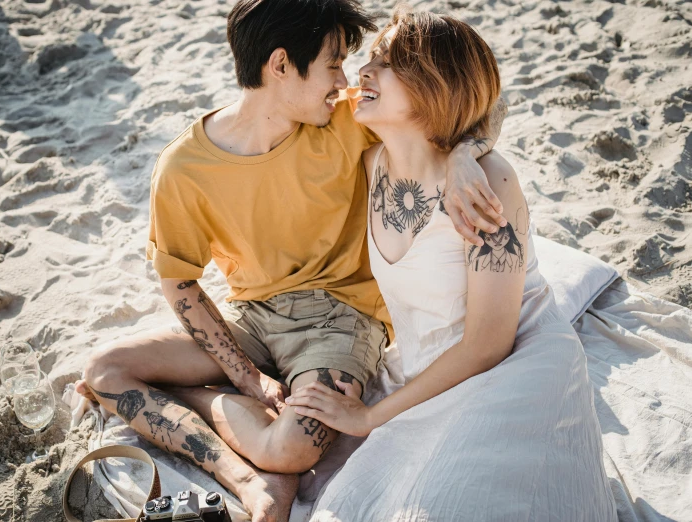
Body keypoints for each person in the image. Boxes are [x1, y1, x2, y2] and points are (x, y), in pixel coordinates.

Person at [74, 1, 508, 521]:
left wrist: (465, 152)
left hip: (342, 318)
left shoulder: (350, 118)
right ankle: (242, 480)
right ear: (280, 65)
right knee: (106, 369)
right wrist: (246, 378)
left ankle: (193, 398)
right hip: (252, 317)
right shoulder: (182, 168)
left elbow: (472, 104)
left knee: (294, 447)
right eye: (331, 64)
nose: (342, 79)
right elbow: (182, 284)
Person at [285, 8, 618, 521]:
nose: (363, 72)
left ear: (434, 85)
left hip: (514, 368)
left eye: (388, 62)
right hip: (419, 366)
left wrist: (370, 416)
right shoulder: (369, 161)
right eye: (368, 59)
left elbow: (489, 343)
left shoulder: (489, 183)